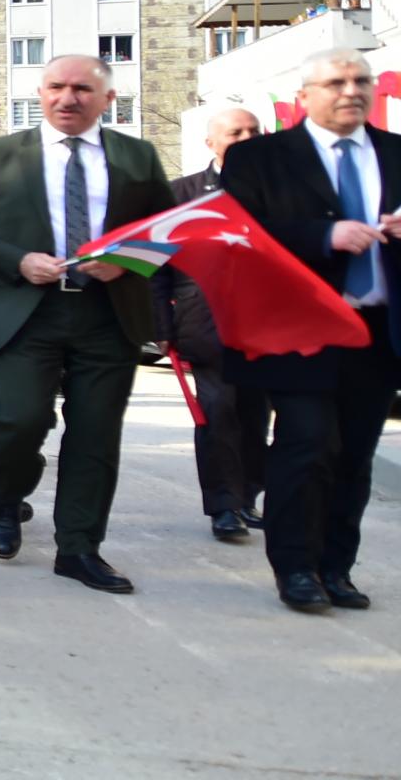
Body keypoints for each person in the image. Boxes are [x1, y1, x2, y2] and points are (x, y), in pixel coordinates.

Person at [0, 54, 173, 594]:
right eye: (57, 87)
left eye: (82, 89)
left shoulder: (136, 157)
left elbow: (166, 230)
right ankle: (2, 498)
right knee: (20, 422)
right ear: (40, 93)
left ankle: (79, 547)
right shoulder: (0, 156)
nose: (68, 98)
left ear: (107, 99)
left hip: (108, 313)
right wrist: (16, 260)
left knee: (95, 435)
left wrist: (128, 261)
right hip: (26, 311)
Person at [220, 50, 401, 613]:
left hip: (374, 331)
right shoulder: (260, 158)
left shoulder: (395, 153)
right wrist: (323, 237)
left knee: (354, 454)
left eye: (360, 81)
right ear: (306, 95)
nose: (351, 90)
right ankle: (295, 567)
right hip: (299, 329)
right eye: (336, 82)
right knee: (307, 444)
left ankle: (336, 568)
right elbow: (240, 234)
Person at [153, 108, 270, 541]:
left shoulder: (282, 191)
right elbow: (158, 267)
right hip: (205, 324)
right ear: (211, 144)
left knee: (256, 415)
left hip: (266, 326)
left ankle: (248, 496)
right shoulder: (181, 194)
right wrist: (162, 327)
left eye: (254, 131)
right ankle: (222, 505)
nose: (246, 137)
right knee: (218, 413)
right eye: (235, 132)